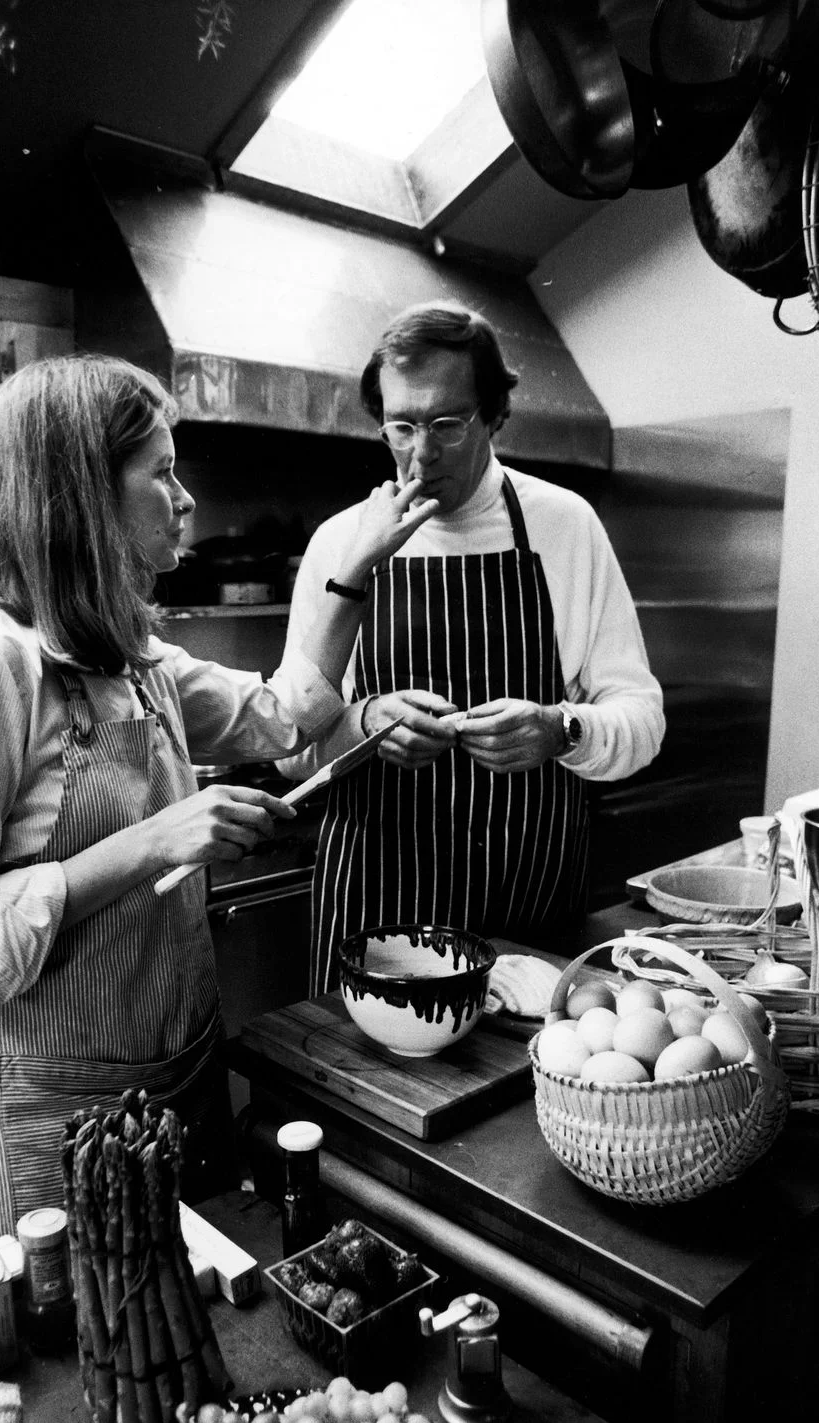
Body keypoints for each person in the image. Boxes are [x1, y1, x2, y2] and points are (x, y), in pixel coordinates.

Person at [0, 354, 437, 1258]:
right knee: (77, 1365)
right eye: (162, 472)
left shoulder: (134, 660)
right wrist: (152, 841)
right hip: (49, 1111)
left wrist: (352, 569)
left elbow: (288, 713)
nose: (186, 500)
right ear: (84, 496)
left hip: (176, 1075)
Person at [277, 301, 665, 994]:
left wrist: (560, 729)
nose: (421, 453)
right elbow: (288, 749)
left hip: (527, 920)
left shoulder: (565, 527)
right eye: (401, 426)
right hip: (376, 920)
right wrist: (364, 723)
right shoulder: (341, 545)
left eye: (448, 424)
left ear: (494, 416)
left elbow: (642, 719)